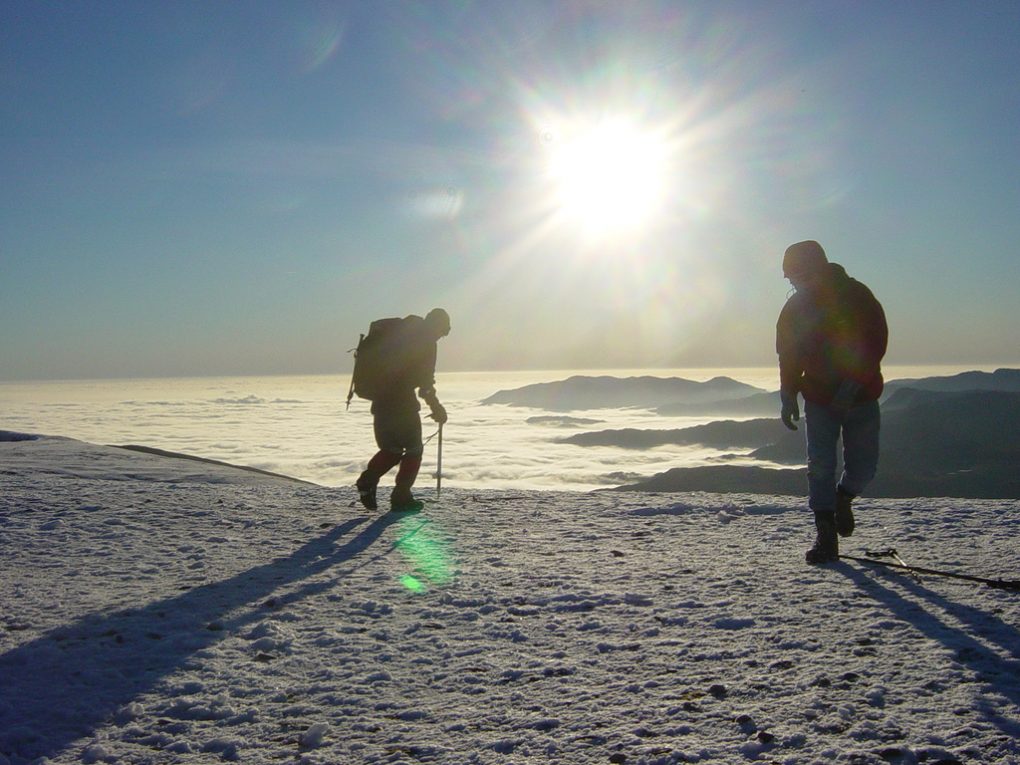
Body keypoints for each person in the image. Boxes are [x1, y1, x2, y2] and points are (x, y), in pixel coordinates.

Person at [776, 241, 888, 564]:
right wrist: (788, 393)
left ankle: (844, 497)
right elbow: (789, 355)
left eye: (796, 275)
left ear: (814, 269)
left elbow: (874, 342)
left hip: (861, 398)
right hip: (820, 398)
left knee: (864, 467)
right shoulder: (795, 309)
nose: (794, 283)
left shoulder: (857, 296)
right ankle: (825, 533)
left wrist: (852, 385)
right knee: (820, 465)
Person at [356, 308, 451, 513]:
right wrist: (436, 407)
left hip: (380, 402)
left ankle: (367, 480)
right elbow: (425, 383)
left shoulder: (401, 334)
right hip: (403, 405)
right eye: (443, 332)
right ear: (438, 326)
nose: (441, 336)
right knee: (414, 449)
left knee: (391, 449)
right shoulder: (426, 341)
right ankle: (401, 497)